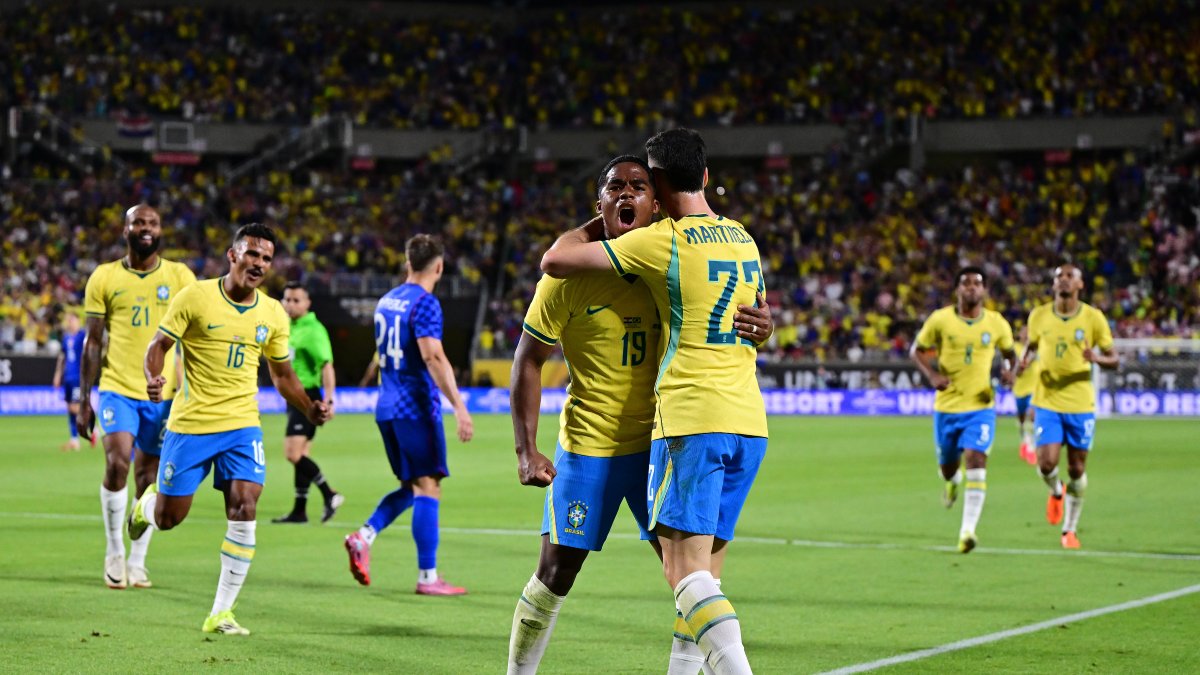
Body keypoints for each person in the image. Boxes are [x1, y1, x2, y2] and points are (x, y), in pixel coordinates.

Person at [506, 155, 773, 673]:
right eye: (614, 187)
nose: (625, 194)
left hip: (662, 441)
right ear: (598, 203)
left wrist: (764, 324)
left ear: (657, 203)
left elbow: (730, 311)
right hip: (591, 446)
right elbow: (528, 358)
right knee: (556, 573)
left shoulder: (671, 262)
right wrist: (526, 449)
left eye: (638, 186)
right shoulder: (568, 277)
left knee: (692, 577)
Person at [128, 223, 331, 635]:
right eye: (252, 254)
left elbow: (282, 375)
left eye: (267, 258)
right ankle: (145, 507)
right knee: (169, 518)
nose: (259, 263)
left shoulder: (272, 313)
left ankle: (221, 612)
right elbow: (158, 346)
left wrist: (309, 407)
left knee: (245, 506)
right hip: (192, 425)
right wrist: (153, 377)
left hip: (242, 426)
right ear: (233, 255)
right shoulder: (195, 297)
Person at [344, 234, 474, 596]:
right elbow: (432, 356)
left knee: (411, 486)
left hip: (386, 405)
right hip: (415, 407)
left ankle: (363, 536)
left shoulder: (387, 301)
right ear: (439, 267)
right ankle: (428, 577)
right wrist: (459, 406)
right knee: (429, 486)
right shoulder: (425, 303)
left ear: (407, 263)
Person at [78, 204, 197, 590]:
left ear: (160, 230)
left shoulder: (180, 276)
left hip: (163, 396)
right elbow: (92, 342)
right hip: (117, 388)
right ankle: (114, 551)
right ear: (125, 230)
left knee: (148, 478)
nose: (146, 228)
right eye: (138, 222)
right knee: (117, 464)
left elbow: (195, 337)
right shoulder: (104, 277)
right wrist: (84, 400)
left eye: (153, 223)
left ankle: (138, 560)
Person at [910, 267, 1016, 553]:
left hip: (981, 407)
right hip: (947, 407)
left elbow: (1010, 354)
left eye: (977, 283)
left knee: (976, 459)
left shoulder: (996, 323)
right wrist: (932, 375)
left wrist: (1010, 372)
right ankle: (952, 481)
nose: (971, 287)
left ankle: (967, 531)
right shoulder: (940, 319)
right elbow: (916, 350)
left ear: (984, 290)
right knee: (948, 467)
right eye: (965, 282)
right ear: (957, 289)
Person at [1017, 264, 1118, 549]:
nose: (1063, 280)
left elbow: (1114, 359)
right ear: (1053, 284)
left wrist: (1096, 358)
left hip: (1080, 403)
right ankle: (1055, 491)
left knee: (1076, 468)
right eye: (1059, 276)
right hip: (1047, 400)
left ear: (1080, 285)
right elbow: (1032, 346)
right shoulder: (1039, 315)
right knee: (1046, 463)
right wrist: (1023, 362)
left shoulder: (1093, 318)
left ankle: (1069, 530)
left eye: (1069, 276)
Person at [272, 281, 343, 524]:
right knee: (302, 454)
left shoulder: (313, 330)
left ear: (307, 303)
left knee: (292, 454)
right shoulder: (286, 326)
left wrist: (329, 400)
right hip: (293, 396)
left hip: (307, 397)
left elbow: (326, 365)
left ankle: (330, 493)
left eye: (296, 300)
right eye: (287, 299)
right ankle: (299, 511)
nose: (290, 304)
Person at [52, 310, 86, 451]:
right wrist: (58, 374)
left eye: (72, 320)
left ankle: (93, 428)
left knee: (75, 407)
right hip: (68, 377)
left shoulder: (83, 336)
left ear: (78, 321)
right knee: (69, 408)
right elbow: (62, 356)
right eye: (68, 320)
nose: (70, 323)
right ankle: (74, 440)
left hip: (78, 377)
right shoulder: (66, 338)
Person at [1012, 324, 1040, 465]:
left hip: (1034, 388)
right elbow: (1018, 367)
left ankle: (1031, 446)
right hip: (1019, 389)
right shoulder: (1015, 348)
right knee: (1022, 419)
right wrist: (1030, 359)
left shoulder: (1038, 348)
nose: (1027, 335)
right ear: (1020, 334)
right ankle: (1024, 441)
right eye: (1024, 332)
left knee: (1032, 415)